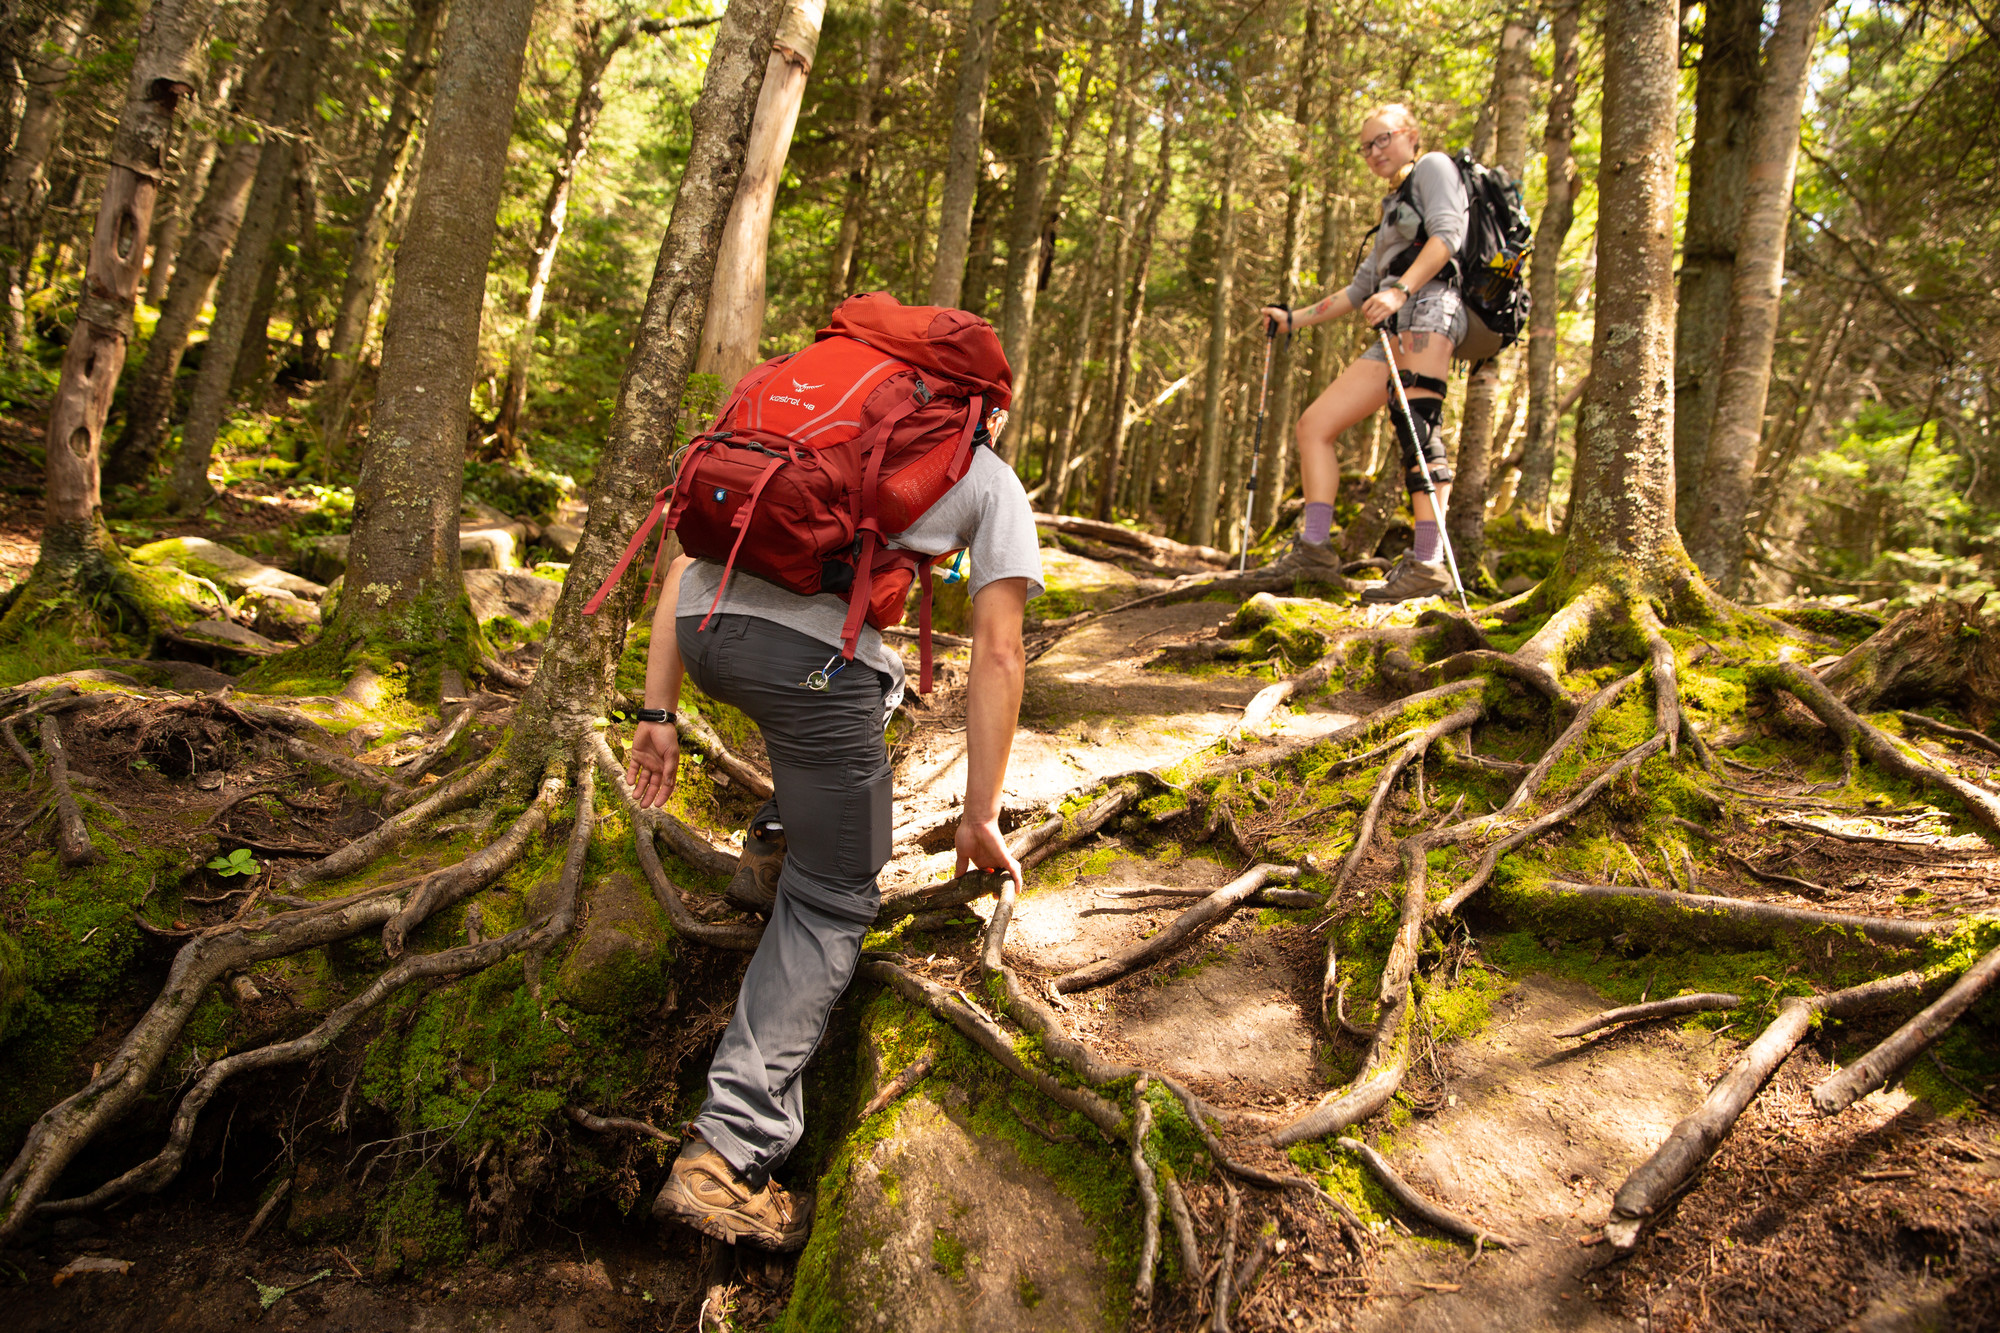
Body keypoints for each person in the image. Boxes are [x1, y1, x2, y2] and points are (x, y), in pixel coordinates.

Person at [623, 420, 1043, 1251]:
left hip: (702, 632)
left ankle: (781, 835)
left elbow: (681, 562)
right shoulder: (986, 475)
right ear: (983, 411)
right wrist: (981, 812)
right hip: (812, 667)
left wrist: (657, 711)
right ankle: (727, 1153)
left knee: (862, 689)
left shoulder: (807, 428)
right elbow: (1000, 651)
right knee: (835, 896)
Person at [1260, 102, 1467, 602]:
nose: (1375, 152)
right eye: (1366, 146)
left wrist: (1401, 289)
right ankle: (1314, 549)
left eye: (1384, 139)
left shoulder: (1435, 167)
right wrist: (1293, 320)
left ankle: (1427, 565)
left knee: (1419, 430)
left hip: (1431, 309)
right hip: (1393, 330)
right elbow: (1358, 290)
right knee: (1315, 425)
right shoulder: (1392, 204)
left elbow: (1449, 236)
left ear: (1411, 135)